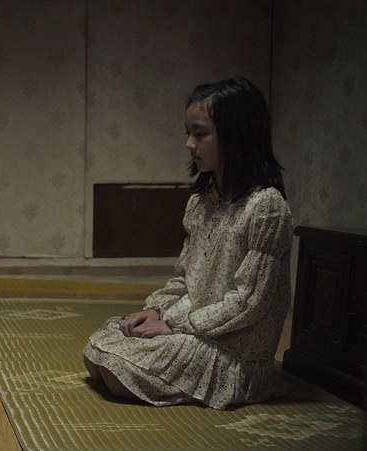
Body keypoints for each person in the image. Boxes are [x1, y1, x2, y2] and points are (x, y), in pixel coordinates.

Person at [83, 76, 293, 409]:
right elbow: (184, 279)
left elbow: (249, 303)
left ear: (236, 134)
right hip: (192, 327)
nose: (189, 145)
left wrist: (173, 324)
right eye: (188, 133)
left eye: (200, 134)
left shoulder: (267, 207)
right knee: (100, 346)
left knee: (116, 371)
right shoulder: (201, 202)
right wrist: (155, 310)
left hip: (230, 345)